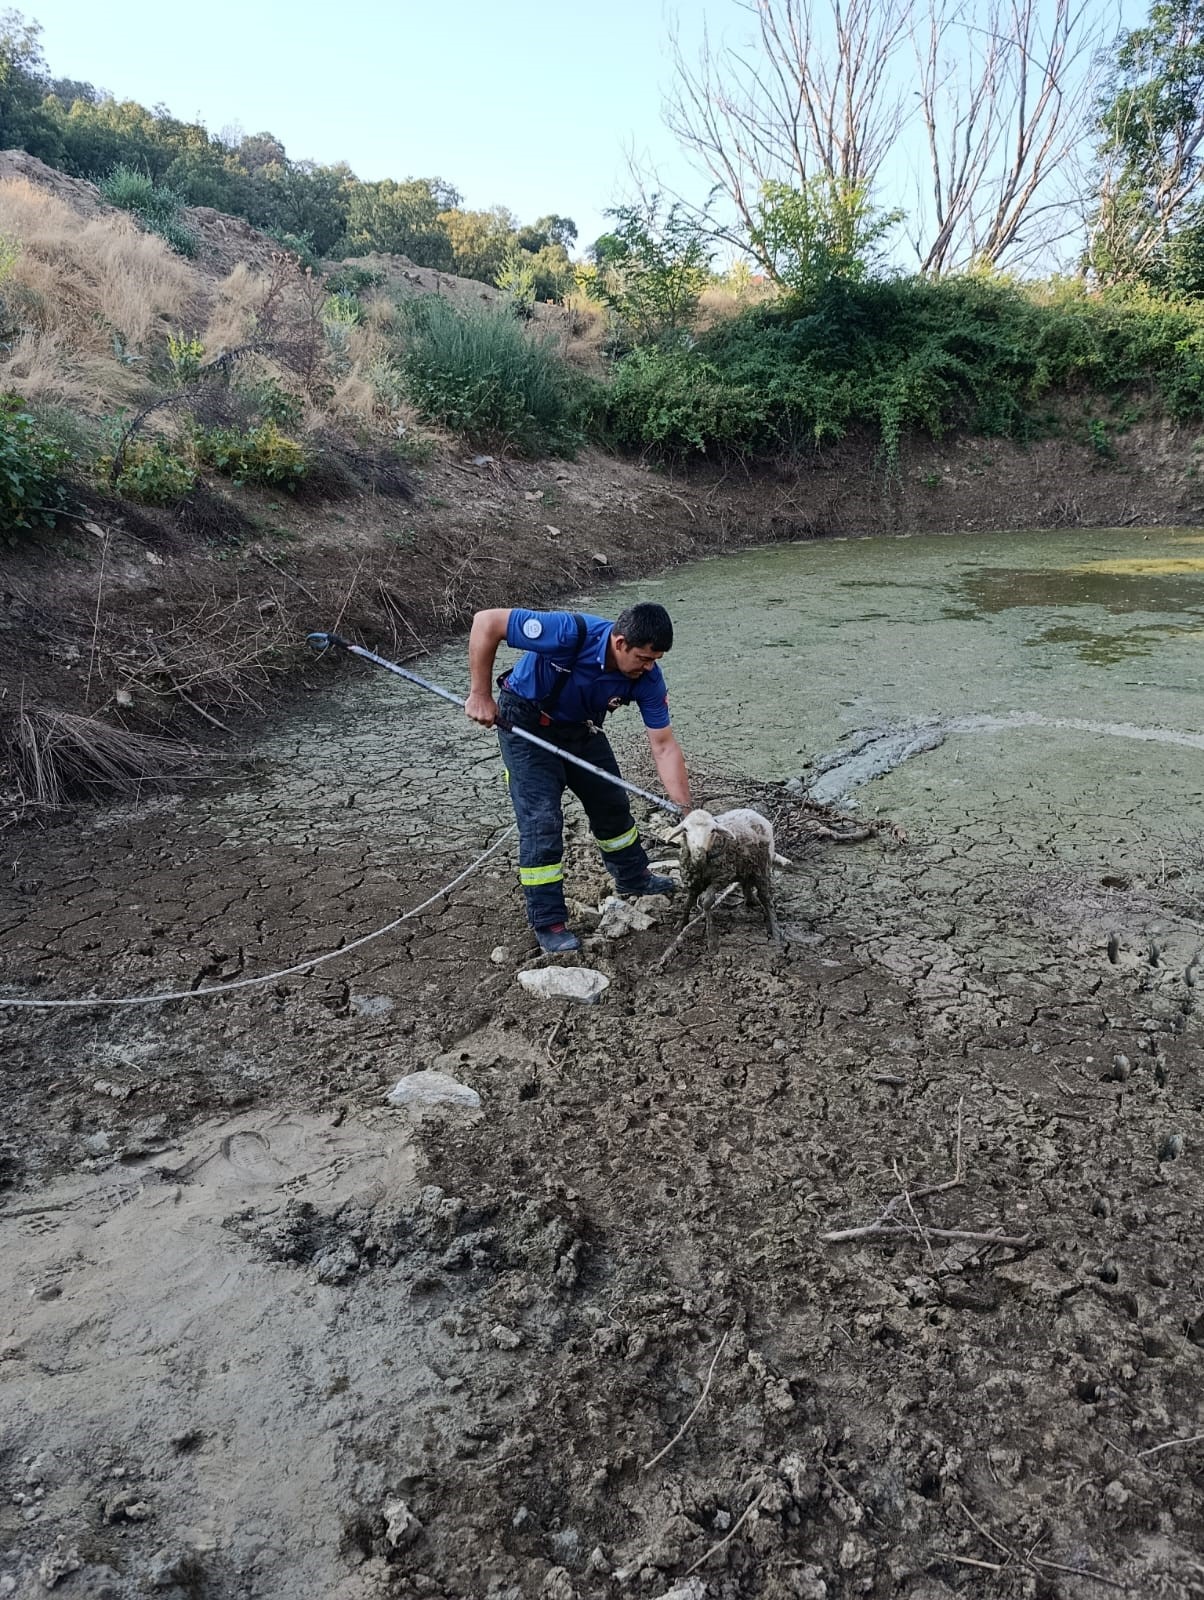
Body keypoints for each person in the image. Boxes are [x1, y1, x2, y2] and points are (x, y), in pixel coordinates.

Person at [465, 601, 692, 953]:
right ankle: (549, 920)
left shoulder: (648, 678)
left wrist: (686, 809)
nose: (649, 667)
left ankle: (633, 877)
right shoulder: (568, 633)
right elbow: (486, 621)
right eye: (644, 658)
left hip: (581, 730)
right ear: (620, 644)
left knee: (612, 802)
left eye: (656, 660)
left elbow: (663, 746)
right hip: (526, 724)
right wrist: (480, 694)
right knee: (542, 820)